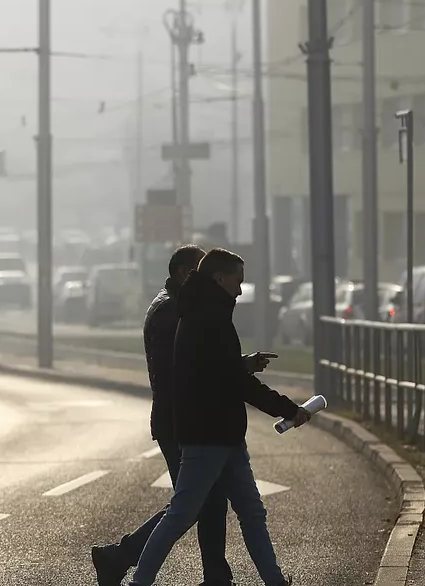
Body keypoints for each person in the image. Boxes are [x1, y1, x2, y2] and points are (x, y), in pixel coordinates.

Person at [128, 248, 311, 586]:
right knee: (181, 514)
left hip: (224, 435)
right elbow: (234, 381)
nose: (240, 290)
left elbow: (218, 370)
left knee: (251, 511)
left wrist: (242, 368)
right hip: (207, 435)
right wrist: (288, 409)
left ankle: (275, 581)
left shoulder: (203, 312)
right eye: (237, 281)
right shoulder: (207, 318)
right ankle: (139, 581)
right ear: (219, 278)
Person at [91, 245, 234, 586]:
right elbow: (188, 368)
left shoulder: (170, 304)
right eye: (200, 271)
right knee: (194, 502)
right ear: (185, 273)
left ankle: (215, 576)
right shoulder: (173, 311)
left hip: (176, 419)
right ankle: (120, 556)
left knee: (206, 500)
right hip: (179, 422)